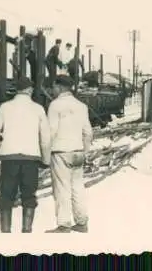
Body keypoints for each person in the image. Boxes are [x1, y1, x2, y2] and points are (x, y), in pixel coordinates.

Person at [0, 77, 51, 233]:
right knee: (29, 197)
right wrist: (45, 160)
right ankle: (26, 231)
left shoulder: (5, 107)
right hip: (31, 159)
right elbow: (46, 138)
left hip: (9, 159)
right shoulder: (38, 109)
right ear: (29, 90)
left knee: (6, 196)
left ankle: (6, 233)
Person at [45, 75, 93, 233]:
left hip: (61, 152)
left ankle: (64, 224)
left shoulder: (55, 105)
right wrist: (85, 151)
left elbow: (51, 131)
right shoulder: (81, 106)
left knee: (62, 189)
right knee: (77, 188)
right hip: (78, 151)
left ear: (59, 87)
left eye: (53, 87)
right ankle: (81, 222)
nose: (52, 90)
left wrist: (44, 153)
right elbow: (88, 132)